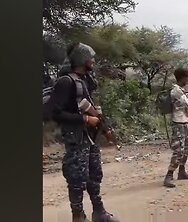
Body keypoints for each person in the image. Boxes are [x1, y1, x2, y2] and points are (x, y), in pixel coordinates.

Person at [49, 43, 120, 222]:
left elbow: (92, 108)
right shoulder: (66, 82)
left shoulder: (86, 80)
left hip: (90, 138)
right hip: (76, 138)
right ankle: (78, 216)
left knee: (94, 175)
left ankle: (99, 212)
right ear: (82, 58)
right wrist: (85, 120)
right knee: (76, 178)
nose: (94, 61)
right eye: (91, 57)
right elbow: (55, 113)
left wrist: (104, 128)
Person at [163, 68, 188, 188]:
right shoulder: (176, 91)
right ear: (182, 78)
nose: (187, 79)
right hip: (178, 123)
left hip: (185, 122)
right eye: (186, 77)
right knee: (178, 150)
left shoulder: (181, 90)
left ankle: (181, 172)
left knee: (186, 149)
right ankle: (169, 176)